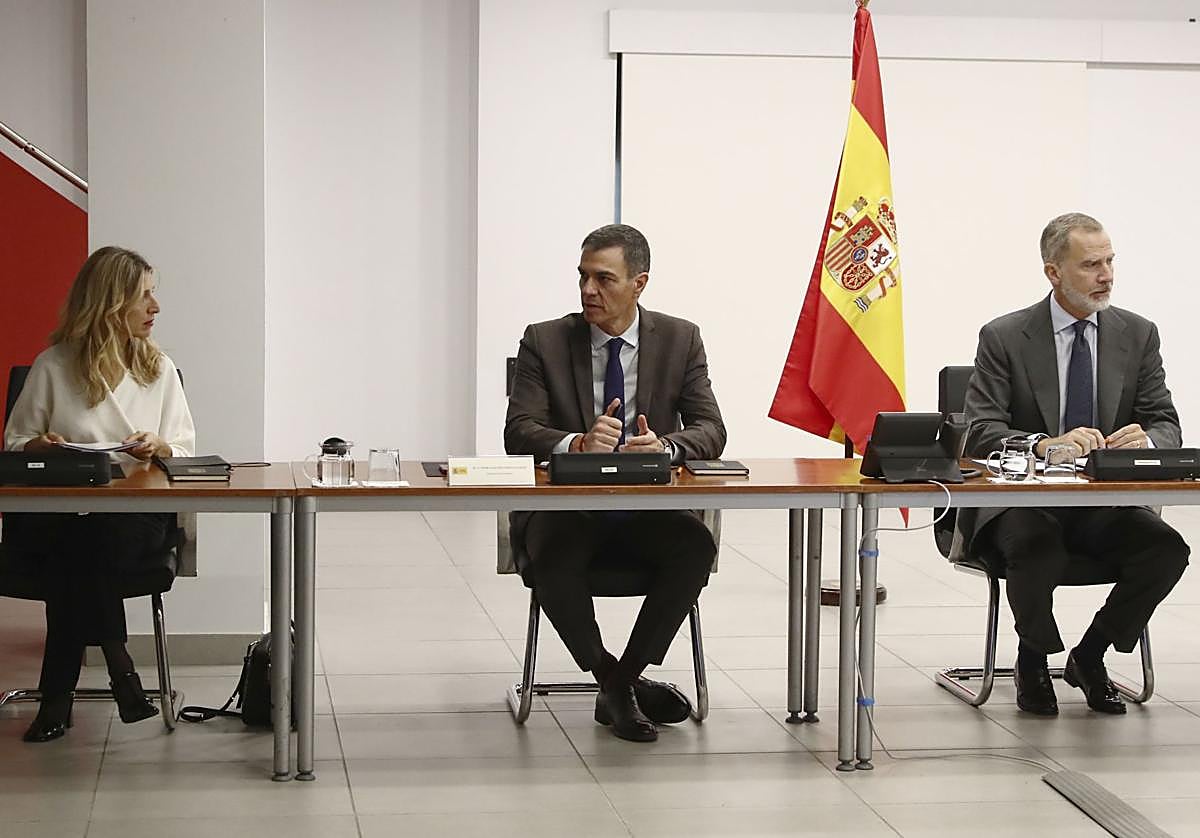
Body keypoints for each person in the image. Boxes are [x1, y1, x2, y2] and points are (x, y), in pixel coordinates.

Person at [960, 212, 1189, 716]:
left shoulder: (1137, 334)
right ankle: (1033, 657)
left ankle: (1090, 655)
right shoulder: (1005, 336)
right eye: (1091, 265)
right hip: (1023, 504)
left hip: (1101, 502)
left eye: (1110, 262)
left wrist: (1147, 440)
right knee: (1036, 546)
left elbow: (1165, 422)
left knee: (1167, 549)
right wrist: (1044, 445)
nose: (1106, 276)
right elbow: (980, 430)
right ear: (1053, 272)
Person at [504, 224, 726, 742]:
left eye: (603, 279)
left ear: (638, 283)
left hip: (646, 510)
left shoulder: (680, 339)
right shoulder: (545, 340)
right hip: (569, 510)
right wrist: (576, 443)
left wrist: (666, 447)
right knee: (551, 553)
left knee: (696, 546)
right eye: (583, 277)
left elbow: (711, 429)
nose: (588, 290)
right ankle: (615, 679)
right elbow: (518, 431)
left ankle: (622, 680)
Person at [2, 246, 196, 742]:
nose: (155, 307)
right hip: (56, 515)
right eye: (144, 296)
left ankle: (57, 696)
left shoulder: (158, 369)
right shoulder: (54, 365)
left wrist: (159, 445)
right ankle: (120, 667)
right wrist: (41, 445)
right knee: (80, 539)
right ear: (110, 302)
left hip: (133, 518)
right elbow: (15, 442)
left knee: (83, 546)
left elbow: (184, 450)